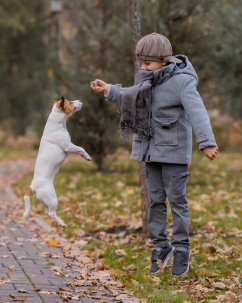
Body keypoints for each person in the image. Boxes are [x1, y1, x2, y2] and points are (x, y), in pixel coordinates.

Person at [90, 33, 218, 276]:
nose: (143, 67)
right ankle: (161, 247)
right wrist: (108, 89)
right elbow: (129, 94)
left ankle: (182, 249)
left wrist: (206, 142)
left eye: (147, 63)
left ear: (164, 60)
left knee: (178, 202)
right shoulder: (146, 80)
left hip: (174, 154)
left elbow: (197, 112)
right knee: (156, 201)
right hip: (150, 152)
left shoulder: (183, 82)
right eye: (141, 63)